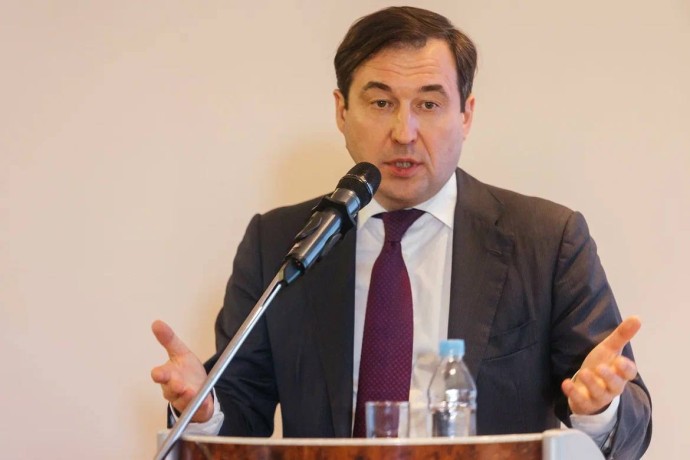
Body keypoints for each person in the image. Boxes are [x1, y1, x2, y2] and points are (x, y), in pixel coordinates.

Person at [151, 6, 651, 458]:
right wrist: (203, 409)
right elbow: (241, 411)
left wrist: (598, 408)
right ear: (342, 111)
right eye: (380, 103)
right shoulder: (281, 242)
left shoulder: (545, 240)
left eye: (429, 105)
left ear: (466, 115)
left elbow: (633, 429)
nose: (404, 133)